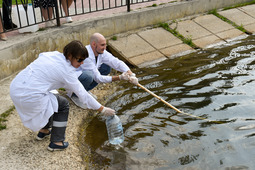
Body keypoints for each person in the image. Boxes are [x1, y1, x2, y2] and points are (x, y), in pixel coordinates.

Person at [10, 40, 115, 151]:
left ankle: (44, 131)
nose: (82, 63)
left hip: (16, 88)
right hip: (30, 95)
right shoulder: (66, 71)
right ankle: (57, 141)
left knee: (52, 99)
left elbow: (42, 61)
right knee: (63, 104)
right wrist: (102, 109)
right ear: (69, 56)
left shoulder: (52, 54)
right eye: (79, 60)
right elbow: (83, 95)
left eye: (83, 60)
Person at [69, 33, 139, 108]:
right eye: (102, 45)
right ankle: (75, 95)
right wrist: (119, 77)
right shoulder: (86, 55)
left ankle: (85, 90)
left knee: (106, 68)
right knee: (89, 76)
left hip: (86, 76)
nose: (105, 48)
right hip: (73, 79)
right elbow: (98, 78)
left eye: (105, 45)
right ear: (94, 44)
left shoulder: (101, 52)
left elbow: (116, 62)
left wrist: (131, 74)